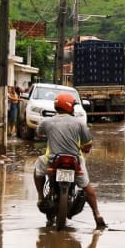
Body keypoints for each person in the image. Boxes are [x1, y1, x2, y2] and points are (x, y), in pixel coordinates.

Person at [32, 92, 107, 229]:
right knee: (86, 186)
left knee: (38, 167)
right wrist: (86, 148)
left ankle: (40, 197)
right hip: (74, 160)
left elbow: (38, 132)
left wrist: (48, 134)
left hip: (53, 159)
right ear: (69, 107)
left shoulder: (47, 122)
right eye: (72, 106)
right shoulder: (79, 123)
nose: (73, 108)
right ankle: (97, 215)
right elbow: (88, 142)